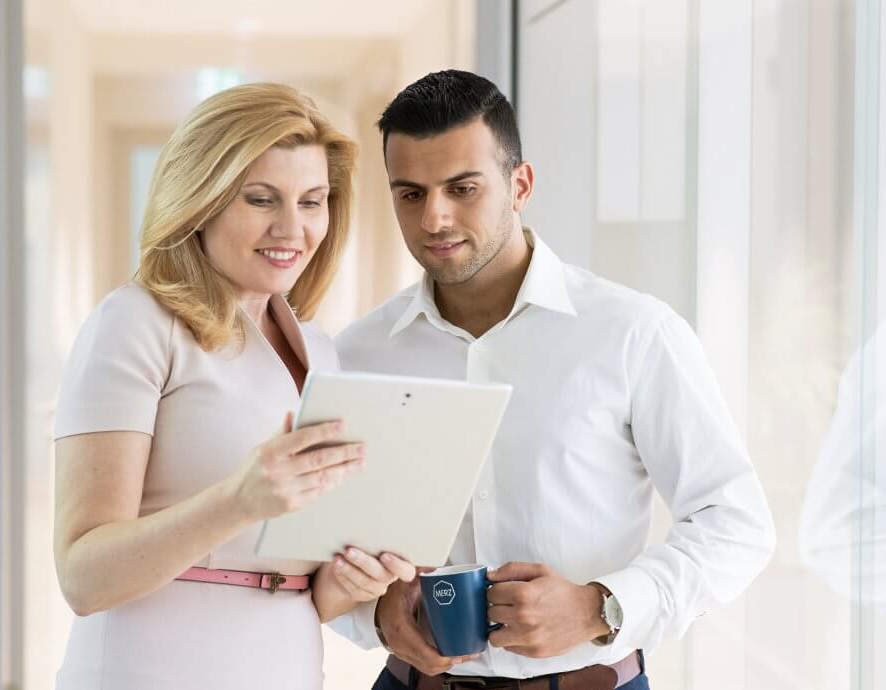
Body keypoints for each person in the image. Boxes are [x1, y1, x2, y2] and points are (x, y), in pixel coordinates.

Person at [330, 70, 777, 690]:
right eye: (411, 194)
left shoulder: (633, 333)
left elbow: (735, 522)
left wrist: (601, 607)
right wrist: (373, 615)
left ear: (521, 185)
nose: (435, 217)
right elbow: (318, 538)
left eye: (463, 188)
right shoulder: (356, 353)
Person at [52, 82, 415, 690]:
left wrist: (347, 580)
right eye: (261, 199)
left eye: (313, 201)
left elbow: (284, 585)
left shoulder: (319, 348)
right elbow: (83, 577)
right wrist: (237, 500)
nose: (292, 228)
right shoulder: (136, 323)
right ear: (202, 200)